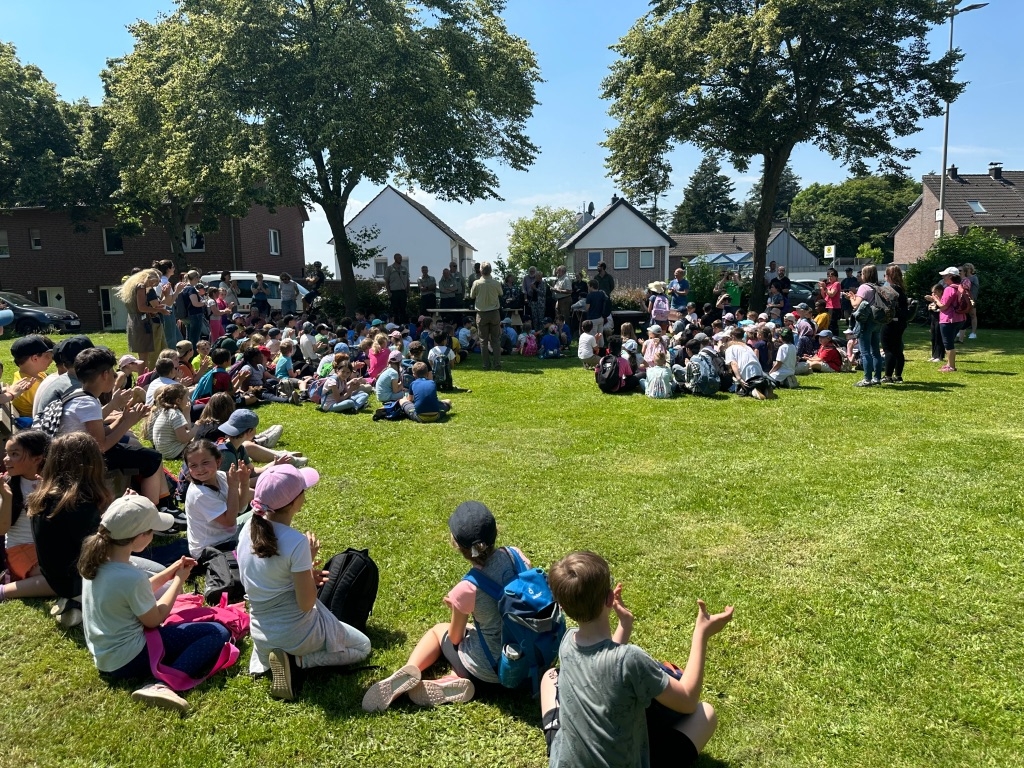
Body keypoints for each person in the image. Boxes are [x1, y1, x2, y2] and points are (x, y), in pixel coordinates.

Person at [541, 550, 732, 768]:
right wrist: (702, 634)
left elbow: (606, 667)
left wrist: (624, 627)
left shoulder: (567, 642)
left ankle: (558, 740)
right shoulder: (631, 659)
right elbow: (688, 701)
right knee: (706, 714)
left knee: (549, 677)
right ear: (610, 597)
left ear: (563, 607)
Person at [362, 501, 524, 711]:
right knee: (484, 633)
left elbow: (455, 638)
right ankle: (450, 680)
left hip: (492, 669)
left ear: (456, 544)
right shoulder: (516, 555)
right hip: (526, 657)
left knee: (440, 631)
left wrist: (456, 607)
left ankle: (410, 670)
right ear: (496, 532)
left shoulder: (466, 588)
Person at [78, 495, 228, 713]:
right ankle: (161, 685)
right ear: (139, 537)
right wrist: (179, 580)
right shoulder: (129, 576)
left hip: (106, 658)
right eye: (151, 532)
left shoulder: (97, 562)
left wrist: (171, 571)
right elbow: (155, 619)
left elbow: (137, 591)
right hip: (128, 660)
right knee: (217, 633)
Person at [238, 464, 372, 699]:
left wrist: (304, 573)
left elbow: (269, 577)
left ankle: (276, 659)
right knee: (363, 646)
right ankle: (298, 661)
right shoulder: (296, 542)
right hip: (296, 635)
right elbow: (306, 604)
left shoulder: (247, 527)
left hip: (261, 633)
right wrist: (308, 565)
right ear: (293, 502)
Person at [60, 348, 164, 506]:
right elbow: (100, 446)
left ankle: (163, 502)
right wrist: (128, 422)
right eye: (113, 374)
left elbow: (100, 434)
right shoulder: (89, 403)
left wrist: (123, 419)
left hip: (74, 453)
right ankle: (151, 510)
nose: (115, 378)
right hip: (82, 459)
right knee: (152, 458)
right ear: (105, 375)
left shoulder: (78, 395)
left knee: (141, 453)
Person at [0, 430, 53, 602]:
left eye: (14, 454)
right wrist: (6, 498)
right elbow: (2, 529)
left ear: (37, 458)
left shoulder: (54, 481)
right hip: (21, 549)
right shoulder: (6, 484)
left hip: (49, 547)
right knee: (58, 580)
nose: (6, 459)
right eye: (6, 453)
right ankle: (4, 591)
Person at [182, 439, 253, 558]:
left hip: (227, 537)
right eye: (193, 465)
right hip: (211, 549)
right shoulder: (199, 494)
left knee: (262, 513)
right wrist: (233, 487)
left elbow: (240, 508)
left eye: (205, 462)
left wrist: (244, 483)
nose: (200, 469)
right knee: (262, 522)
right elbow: (229, 522)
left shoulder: (220, 476)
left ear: (218, 461)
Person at [118, 269, 167, 369]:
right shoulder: (141, 286)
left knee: (142, 355)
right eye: (154, 282)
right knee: (144, 356)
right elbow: (142, 307)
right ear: (148, 278)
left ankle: (142, 378)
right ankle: (143, 379)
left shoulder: (132, 286)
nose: (154, 285)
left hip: (134, 321)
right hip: (141, 323)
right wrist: (158, 310)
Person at [847, 264, 883, 387]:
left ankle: (867, 379)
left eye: (862, 273)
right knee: (876, 351)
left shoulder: (864, 287)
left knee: (865, 352)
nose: (861, 275)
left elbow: (856, 305)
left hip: (866, 322)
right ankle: (877, 378)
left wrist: (851, 298)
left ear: (866, 274)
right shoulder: (878, 287)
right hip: (877, 321)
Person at [931, 266, 968, 373]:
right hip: (960, 318)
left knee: (948, 344)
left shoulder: (949, 289)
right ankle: (948, 363)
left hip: (949, 320)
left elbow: (943, 306)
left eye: (945, 275)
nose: (943, 277)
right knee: (950, 342)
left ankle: (951, 366)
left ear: (951, 276)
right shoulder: (960, 287)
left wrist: (935, 299)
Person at [9, 334, 55, 417]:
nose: (51, 360)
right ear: (35, 358)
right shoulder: (29, 386)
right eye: (48, 356)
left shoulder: (29, 374)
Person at [725, 327, 776, 399]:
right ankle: (765, 388)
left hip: (746, 372)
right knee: (756, 381)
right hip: (759, 371)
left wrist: (739, 379)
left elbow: (733, 364)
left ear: (732, 337)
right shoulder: (747, 347)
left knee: (742, 386)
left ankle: (753, 390)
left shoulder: (730, 348)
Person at [470, 261, 503, 372]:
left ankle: (486, 365)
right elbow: (501, 293)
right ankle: (497, 364)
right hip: (494, 313)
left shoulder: (476, 283)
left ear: (480, 270)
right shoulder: (496, 283)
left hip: (482, 314)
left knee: (483, 341)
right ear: (491, 270)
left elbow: (471, 296)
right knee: (496, 340)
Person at [149, 384, 196, 460]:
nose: (189, 400)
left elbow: (187, 429)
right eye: (187, 397)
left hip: (164, 452)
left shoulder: (167, 411)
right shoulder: (175, 414)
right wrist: (197, 427)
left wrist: (187, 413)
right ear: (178, 401)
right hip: (174, 452)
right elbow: (184, 439)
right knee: (201, 440)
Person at [880, 264, 910, 384]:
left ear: (889, 276)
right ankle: (898, 375)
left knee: (888, 349)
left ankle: (888, 376)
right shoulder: (901, 289)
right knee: (897, 349)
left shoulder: (890, 289)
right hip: (901, 322)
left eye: (885, 275)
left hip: (891, 322)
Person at [384, 253, 410, 324]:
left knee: (403, 309)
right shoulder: (389, 268)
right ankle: (395, 324)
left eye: (401, 258)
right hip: (394, 292)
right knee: (395, 310)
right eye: (399, 258)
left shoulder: (404, 268)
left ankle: (403, 323)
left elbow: (407, 280)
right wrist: (389, 292)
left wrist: (408, 291)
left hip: (403, 292)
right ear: (395, 258)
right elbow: (386, 281)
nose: (400, 259)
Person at [959, 262, 980, 341]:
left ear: (971, 269)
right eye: (965, 266)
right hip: (962, 299)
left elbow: (975, 289)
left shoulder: (974, 278)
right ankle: (961, 331)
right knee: (961, 315)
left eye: (968, 266)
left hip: (971, 299)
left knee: (972, 315)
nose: (967, 268)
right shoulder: (962, 277)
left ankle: (973, 333)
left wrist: (972, 298)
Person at [819, 268, 842, 332]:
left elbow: (832, 294)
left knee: (832, 325)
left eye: (832, 276)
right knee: (827, 324)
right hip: (827, 306)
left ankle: (834, 338)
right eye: (828, 276)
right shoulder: (828, 285)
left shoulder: (836, 284)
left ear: (836, 277)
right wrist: (822, 289)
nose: (830, 278)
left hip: (834, 307)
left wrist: (825, 288)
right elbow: (825, 297)